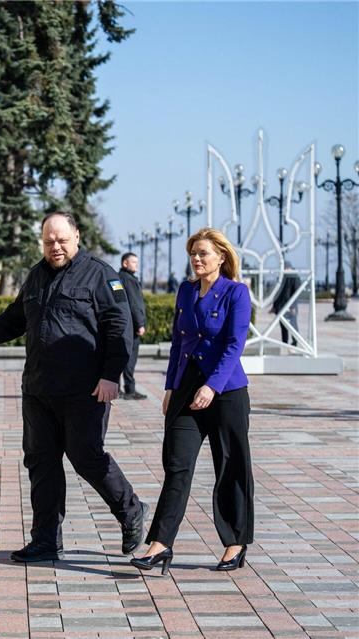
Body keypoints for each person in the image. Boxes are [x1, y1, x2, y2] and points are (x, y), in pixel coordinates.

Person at [0, 213, 148, 562]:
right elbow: (14, 319)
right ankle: (45, 540)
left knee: (86, 457)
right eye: (48, 241)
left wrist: (112, 375)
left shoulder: (101, 275)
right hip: (39, 389)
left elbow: (119, 326)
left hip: (85, 389)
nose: (55, 246)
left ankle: (130, 510)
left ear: (77, 237)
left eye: (61, 240)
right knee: (41, 463)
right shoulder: (37, 275)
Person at [131, 227, 253, 575]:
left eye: (203, 254)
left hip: (226, 391)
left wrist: (212, 387)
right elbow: (177, 344)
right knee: (177, 464)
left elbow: (234, 345)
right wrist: (171, 387)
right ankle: (160, 544)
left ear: (221, 257)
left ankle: (235, 542)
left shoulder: (236, 293)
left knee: (230, 465)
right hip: (186, 388)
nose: (197, 260)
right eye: (193, 254)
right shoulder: (185, 291)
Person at [118, 252, 148, 400]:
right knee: (130, 359)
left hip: (123, 326)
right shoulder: (128, 280)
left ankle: (118, 389)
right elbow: (134, 304)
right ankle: (130, 390)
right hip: (131, 327)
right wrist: (140, 323)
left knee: (120, 357)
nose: (137, 265)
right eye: (134, 262)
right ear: (125, 263)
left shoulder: (120, 277)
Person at [271, 261, 301, 346]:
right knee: (283, 326)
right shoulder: (281, 277)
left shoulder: (295, 277)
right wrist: (274, 306)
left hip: (290, 307)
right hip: (281, 307)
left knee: (293, 325)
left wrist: (293, 306)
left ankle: (295, 342)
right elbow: (277, 293)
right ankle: (285, 343)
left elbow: (296, 293)